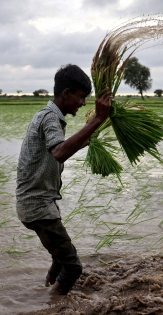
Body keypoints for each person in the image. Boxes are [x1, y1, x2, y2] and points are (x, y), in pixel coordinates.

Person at [15, 64, 112, 295]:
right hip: (38, 207)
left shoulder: (48, 116)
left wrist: (84, 140)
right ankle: (49, 309)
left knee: (59, 260)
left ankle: (45, 288)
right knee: (73, 268)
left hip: (37, 204)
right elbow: (59, 152)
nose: (83, 103)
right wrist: (97, 119)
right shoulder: (49, 118)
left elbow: (56, 152)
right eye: (80, 97)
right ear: (66, 93)